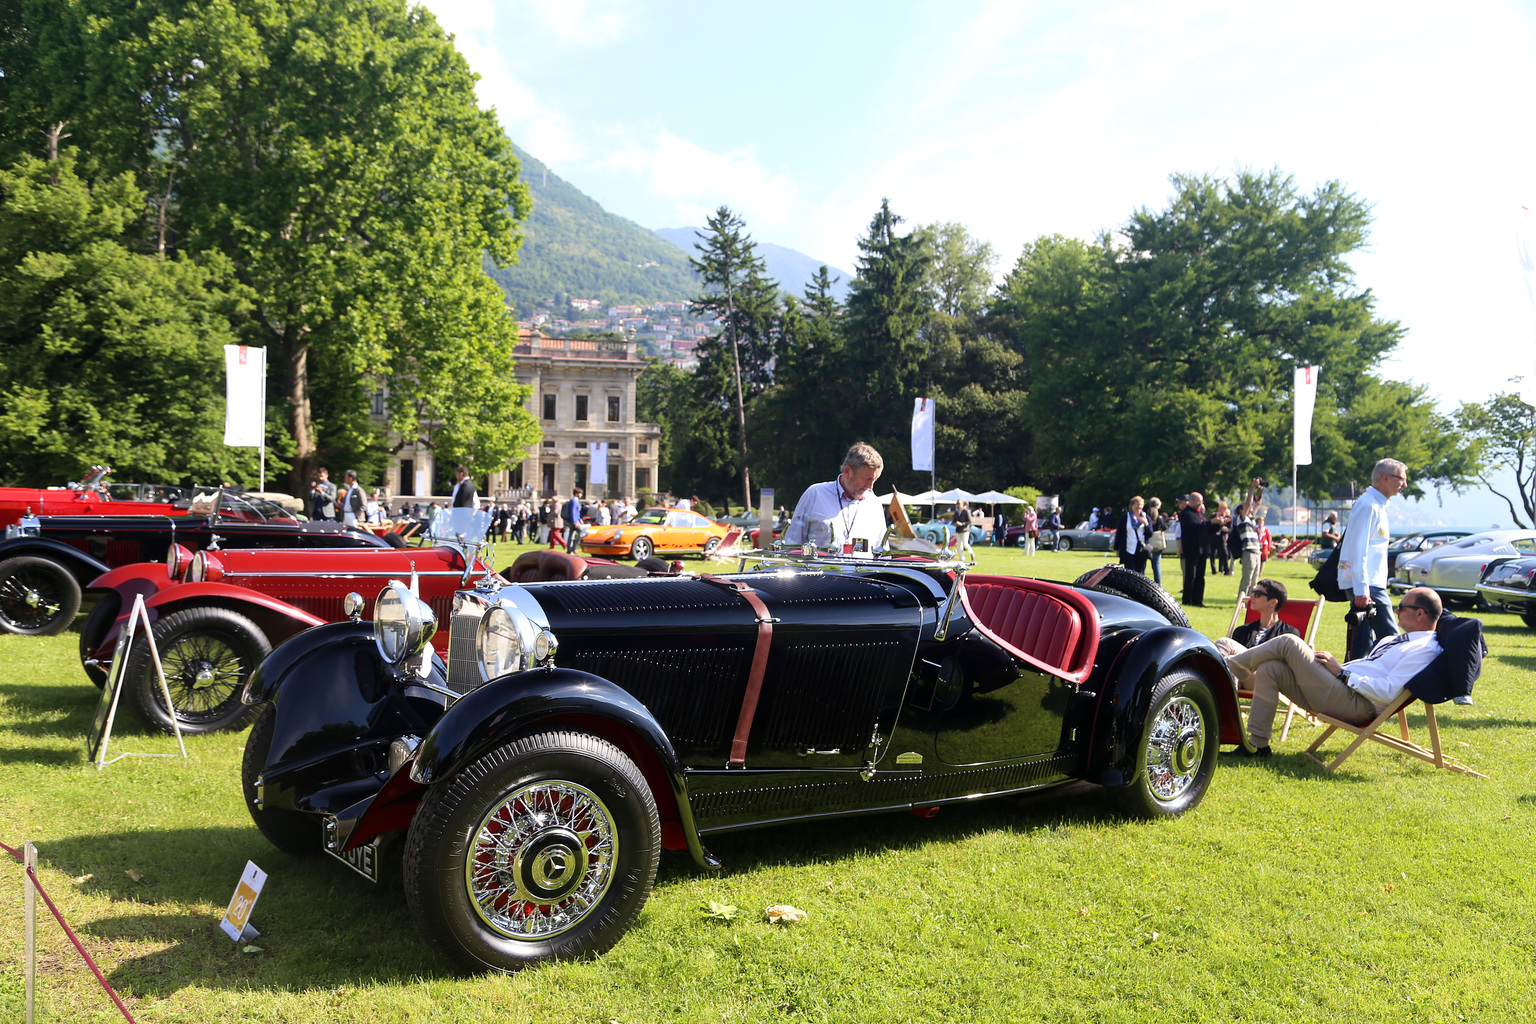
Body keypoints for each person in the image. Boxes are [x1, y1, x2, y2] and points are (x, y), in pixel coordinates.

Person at [1224, 587, 1443, 757]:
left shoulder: (1423, 649)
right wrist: (1336, 670)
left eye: (1402, 607)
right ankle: (1258, 745)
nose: (1396, 611)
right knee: (1271, 669)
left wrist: (1341, 673)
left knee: (1290, 642)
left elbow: (1387, 692)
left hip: (1357, 704)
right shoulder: (1392, 640)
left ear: (1420, 614)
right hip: (1339, 689)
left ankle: (1227, 666)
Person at [1341, 458, 1408, 660]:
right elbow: (1358, 550)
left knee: (1362, 642)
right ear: (1386, 478)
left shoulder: (1377, 505)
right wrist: (1362, 589)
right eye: (1402, 479)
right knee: (1391, 636)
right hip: (1368, 585)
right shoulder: (1369, 506)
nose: (1404, 484)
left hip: (1370, 583)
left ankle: (1350, 683)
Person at [783, 443, 888, 556]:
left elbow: (883, 553)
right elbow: (791, 546)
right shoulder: (815, 494)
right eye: (866, 479)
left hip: (863, 574)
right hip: (821, 573)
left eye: (875, 480)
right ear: (847, 472)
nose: (870, 486)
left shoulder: (874, 504)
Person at [1213, 579, 1301, 658]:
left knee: (1224, 643)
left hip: (1266, 673)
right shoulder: (1242, 631)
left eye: (1257, 594)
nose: (1252, 597)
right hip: (1240, 672)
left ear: (1273, 602)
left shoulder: (1289, 635)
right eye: (1253, 592)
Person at [1231, 478, 1264, 598]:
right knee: (1247, 580)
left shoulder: (1251, 520)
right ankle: (1241, 602)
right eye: (1245, 507)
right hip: (1248, 552)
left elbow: (1257, 504)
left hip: (1257, 552)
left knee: (1254, 582)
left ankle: (1250, 602)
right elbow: (1249, 504)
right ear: (1241, 510)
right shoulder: (1241, 519)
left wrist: (1260, 491)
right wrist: (1252, 488)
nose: (1250, 508)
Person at [1178, 492, 1207, 607]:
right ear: (1192, 500)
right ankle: (1187, 600)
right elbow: (1195, 526)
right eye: (1199, 501)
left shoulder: (1200, 514)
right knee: (1191, 576)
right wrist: (1210, 522)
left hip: (1202, 548)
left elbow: (1205, 527)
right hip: (1191, 548)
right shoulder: (1186, 513)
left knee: (1200, 576)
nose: (1201, 503)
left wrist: (1218, 524)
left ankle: (1198, 600)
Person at [1113, 496, 1151, 574]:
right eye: (1137, 504)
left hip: (1141, 549)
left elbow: (1150, 534)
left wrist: (1146, 524)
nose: (1139, 507)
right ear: (1132, 505)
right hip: (1128, 549)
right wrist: (1117, 548)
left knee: (1140, 574)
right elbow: (1119, 533)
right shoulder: (1125, 518)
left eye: (1141, 505)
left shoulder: (1146, 517)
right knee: (1129, 573)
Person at [1145, 497, 1169, 586]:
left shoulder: (1146, 515)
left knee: (1143, 566)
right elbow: (1164, 528)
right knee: (1156, 566)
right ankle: (1158, 585)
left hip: (1147, 543)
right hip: (1158, 544)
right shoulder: (1160, 518)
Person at [564, 488, 585, 554]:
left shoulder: (575, 500)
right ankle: (574, 547)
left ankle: (569, 550)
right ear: (576, 494)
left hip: (574, 520)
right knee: (581, 532)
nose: (581, 495)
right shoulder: (574, 501)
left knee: (571, 535)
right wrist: (575, 521)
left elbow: (576, 512)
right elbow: (572, 512)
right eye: (580, 493)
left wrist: (579, 519)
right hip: (573, 521)